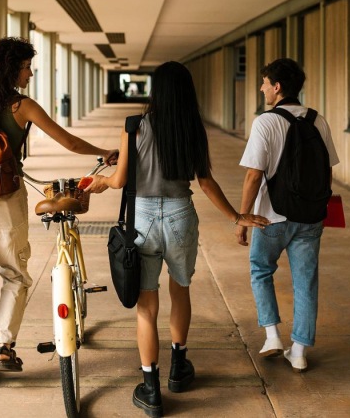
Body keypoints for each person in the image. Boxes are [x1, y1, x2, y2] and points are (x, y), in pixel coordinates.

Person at [86, 61, 269, 417]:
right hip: (181, 215)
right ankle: (179, 369)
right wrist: (236, 216)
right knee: (180, 288)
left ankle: (151, 388)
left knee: (146, 305)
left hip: (141, 220)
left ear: (156, 91)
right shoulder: (192, 128)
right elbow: (205, 182)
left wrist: (102, 182)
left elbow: (121, 180)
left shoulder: (133, 126)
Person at [0, 37, 118, 390]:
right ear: (12, 68)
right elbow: (69, 142)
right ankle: (4, 345)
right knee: (15, 272)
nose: (30, 73)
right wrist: (106, 151)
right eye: (27, 66)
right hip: (4, 198)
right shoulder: (21, 106)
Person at [235, 58, 339, 372]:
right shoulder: (318, 120)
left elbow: (254, 175)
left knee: (261, 270)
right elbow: (327, 173)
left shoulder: (265, 122)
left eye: (265, 82)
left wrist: (242, 217)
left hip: (270, 217)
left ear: (277, 87)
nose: (262, 88)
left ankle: (271, 336)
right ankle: (300, 350)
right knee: (306, 282)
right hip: (310, 217)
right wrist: (321, 211)